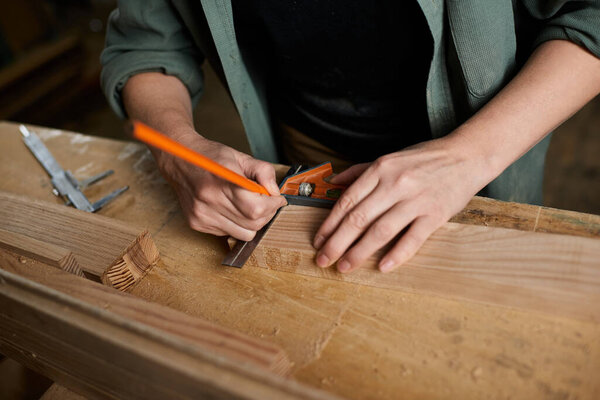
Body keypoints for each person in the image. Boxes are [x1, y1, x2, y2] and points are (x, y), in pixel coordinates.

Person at [101, 1, 600, 274]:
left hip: (484, 144)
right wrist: (175, 147)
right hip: (310, 142)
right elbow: (143, 41)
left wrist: (469, 155)